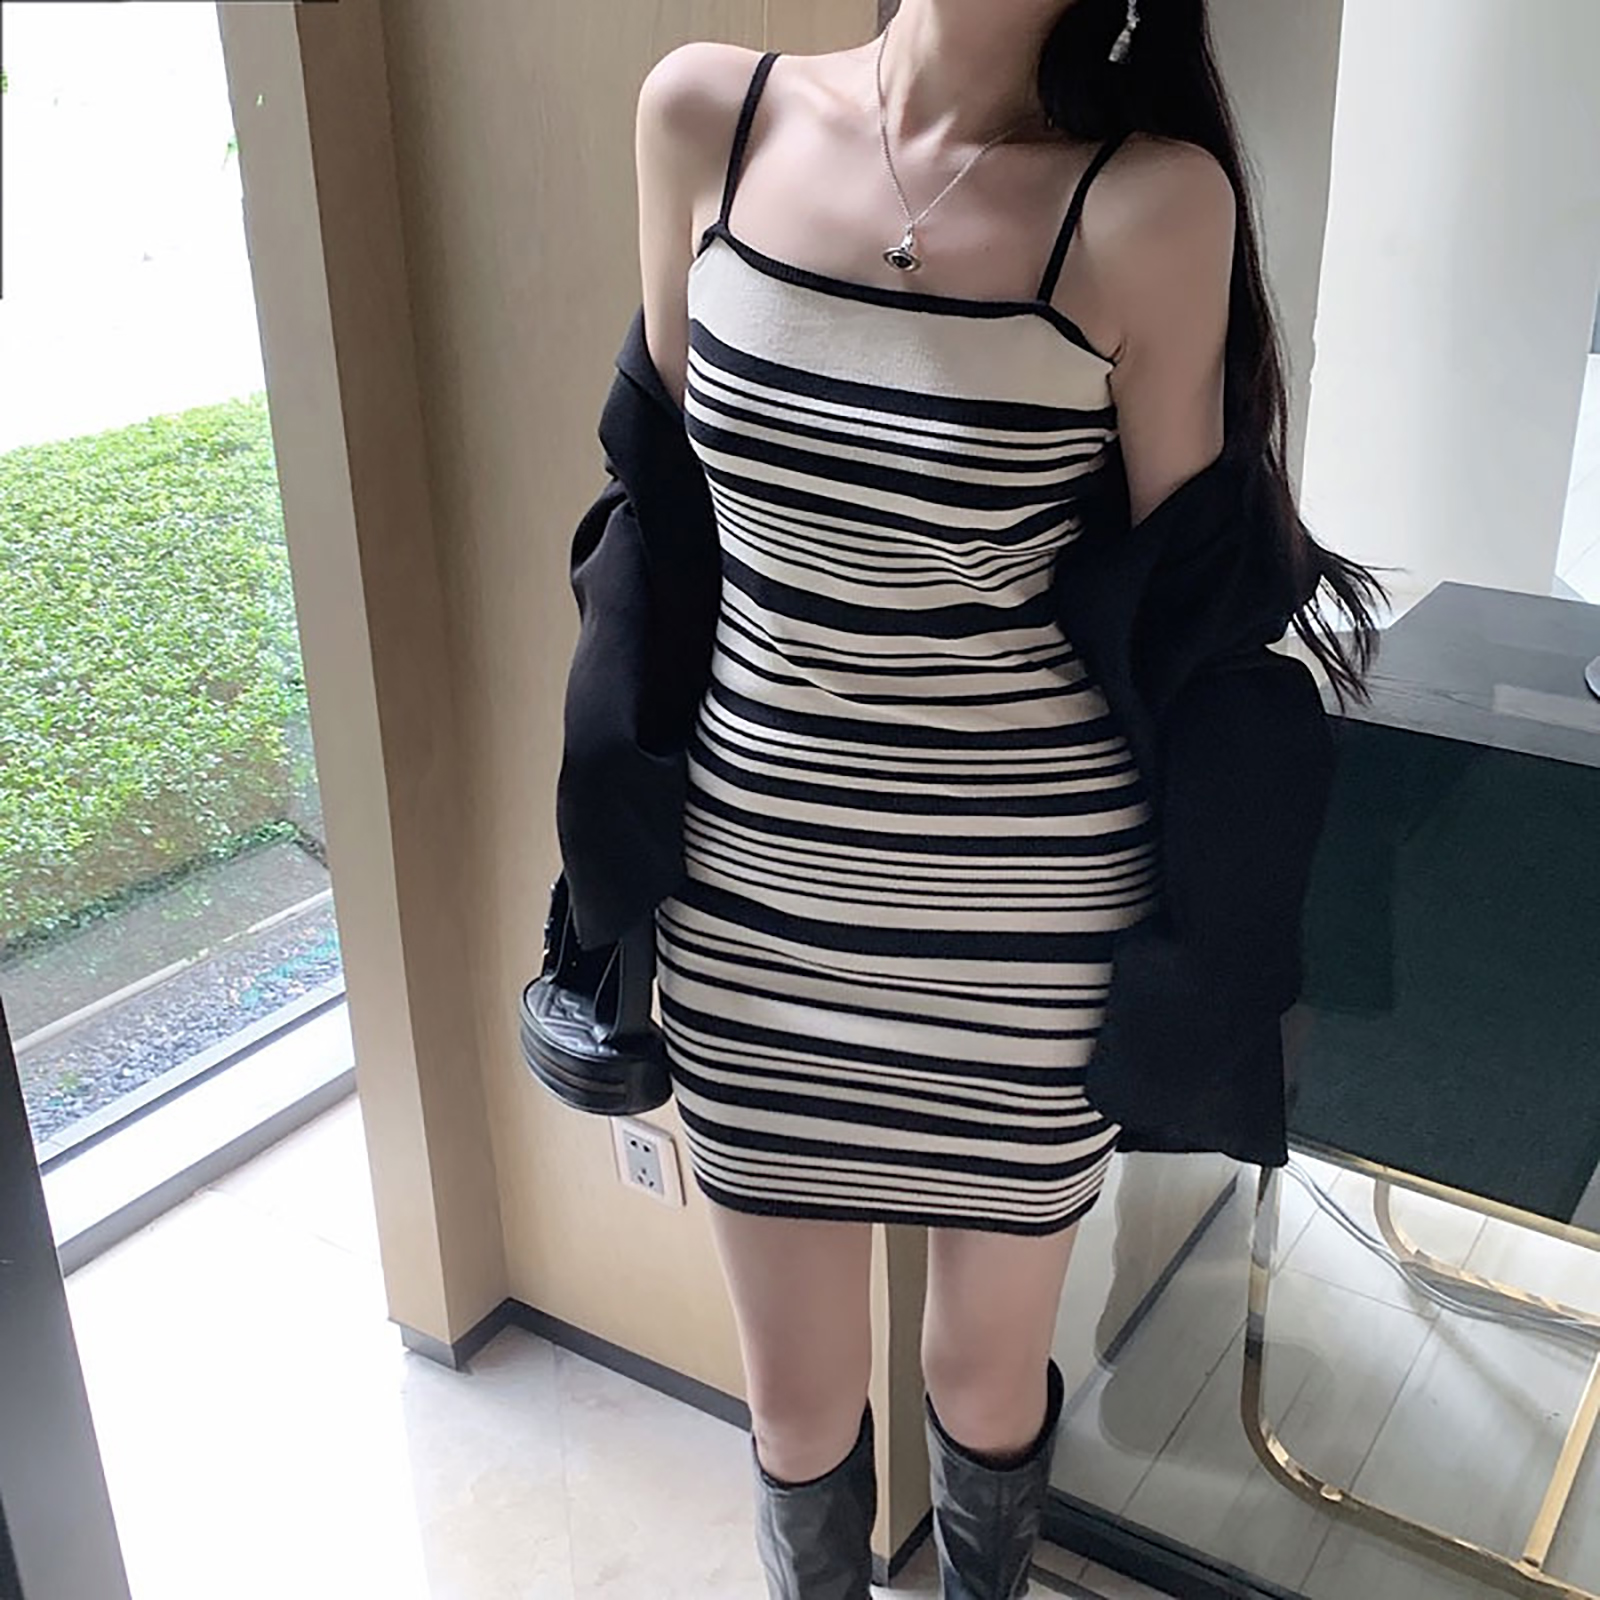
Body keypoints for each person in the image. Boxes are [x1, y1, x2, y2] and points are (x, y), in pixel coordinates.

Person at [627, 2, 1386, 1595]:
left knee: (981, 1383)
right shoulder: (704, 118)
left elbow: (1180, 609)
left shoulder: (1149, 204)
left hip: (1024, 927)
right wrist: (599, 849)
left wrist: (1218, 946)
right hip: (751, 903)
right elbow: (662, 521)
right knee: (794, 1404)